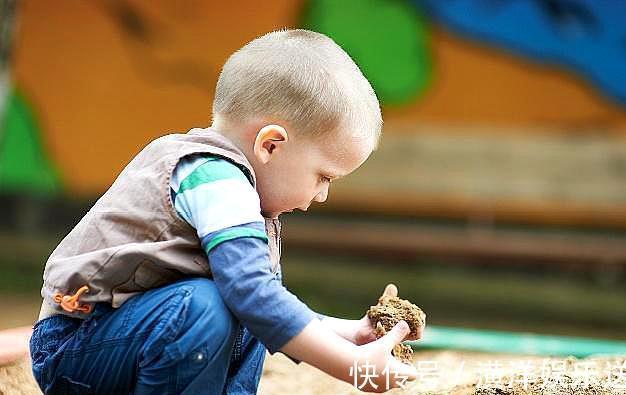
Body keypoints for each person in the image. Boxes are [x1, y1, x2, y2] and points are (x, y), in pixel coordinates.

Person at [29, 29, 423, 394]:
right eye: (323, 176)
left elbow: (266, 304)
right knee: (212, 305)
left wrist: (350, 334)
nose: (322, 196)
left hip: (130, 337)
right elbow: (253, 296)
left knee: (242, 304)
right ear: (270, 145)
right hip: (78, 347)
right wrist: (353, 367)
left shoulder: (240, 196)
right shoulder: (215, 181)